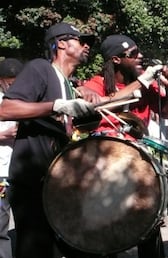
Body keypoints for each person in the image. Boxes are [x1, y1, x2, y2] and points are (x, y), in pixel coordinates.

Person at [0, 22, 102, 258]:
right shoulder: (40, 69)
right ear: (62, 44)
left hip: (55, 180)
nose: (86, 46)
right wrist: (56, 105)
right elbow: (5, 109)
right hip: (33, 180)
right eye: (80, 40)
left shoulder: (67, 82)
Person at [84, 34, 168, 257]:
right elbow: (98, 108)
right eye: (133, 54)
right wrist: (143, 80)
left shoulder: (145, 86)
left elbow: (166, 112)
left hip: (139, 164)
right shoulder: (95, 84)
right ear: (116, 60)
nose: (140, 57)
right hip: (105, 168)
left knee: (147, 223)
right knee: (109, 227)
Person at [0, 58, 23, 258]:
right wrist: (4, 135)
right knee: (1, 222)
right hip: (1, 171)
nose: (12, 85)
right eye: (9, 81)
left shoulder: (28, 100)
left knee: (27, 220)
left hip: (24, 169)